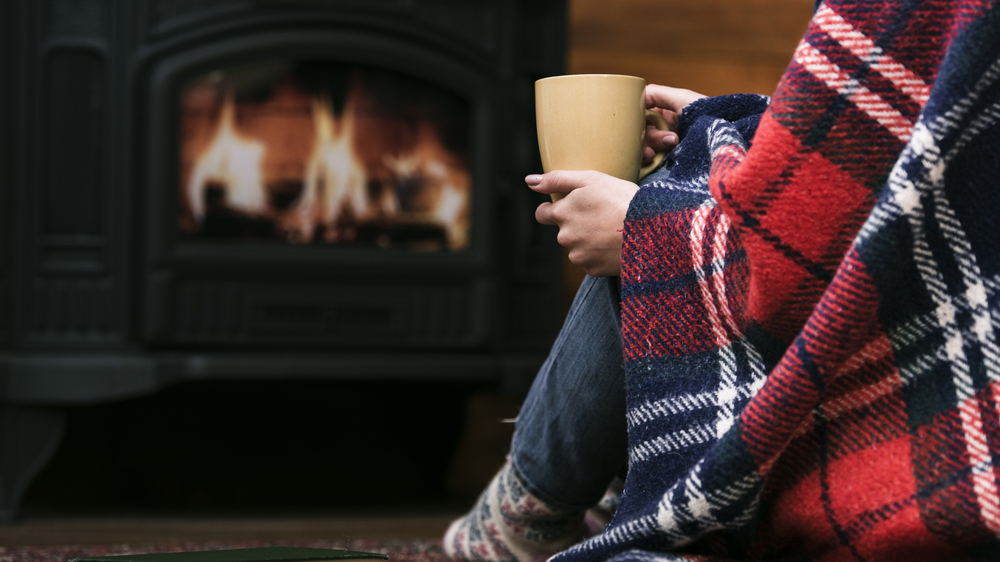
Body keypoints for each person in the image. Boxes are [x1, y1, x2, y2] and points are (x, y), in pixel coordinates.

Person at [445, 0, 1000, 560]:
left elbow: (799, 265)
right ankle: (578, 493)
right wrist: (740, 126)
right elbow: (893, 173)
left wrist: (646, 229)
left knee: (661, 211)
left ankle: (530, 507)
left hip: (940, 424)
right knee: (682, 186)